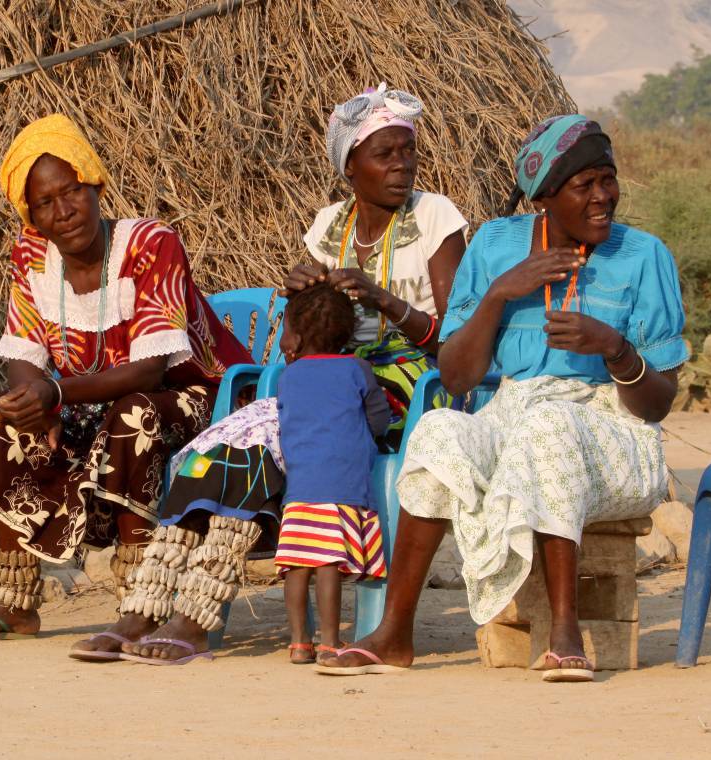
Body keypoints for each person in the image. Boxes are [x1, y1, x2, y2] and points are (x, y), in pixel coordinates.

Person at [75, 83, 469, 664]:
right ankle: (144, 612)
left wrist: (382, 300)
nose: (402, 164)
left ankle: (192, 620)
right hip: (322, 383)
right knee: (220, 448)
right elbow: (299, 335)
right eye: (384, 153)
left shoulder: (434, 216)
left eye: (407, 151)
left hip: (404, 388)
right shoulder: (328, 225)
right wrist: (300, 298)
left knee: (271, 445)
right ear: (349, 167)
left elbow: (454, 343)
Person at [321, 115, 688, 682]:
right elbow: (459, 377)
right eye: (584, 185)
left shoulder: (643, 255)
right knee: (440, 430)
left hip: (614, 433)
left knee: (553, 426)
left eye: (607, 180)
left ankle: (564, 632)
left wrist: (615, 349)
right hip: (513, 410)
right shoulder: (496, 244)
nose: (603, 198)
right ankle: (395, 633)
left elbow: (658, 404)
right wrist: (498, 295)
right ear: (544, 198)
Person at [0, 114, 251, 644]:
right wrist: (33, 400)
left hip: (198, 398)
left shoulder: (150, 244)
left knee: (134, 410)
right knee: (4, 415)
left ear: (94, 184)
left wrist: (58, 392)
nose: (63, 212)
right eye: (44, 203)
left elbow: (152, 369)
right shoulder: (31, 256)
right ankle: (17, 603)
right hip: (92, 400)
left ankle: (141, 600)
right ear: (32, 216)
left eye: (72, 192)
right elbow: (25, 349)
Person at [272, 284, 389, 666]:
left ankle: (299, 642)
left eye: (286, 329)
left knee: (296, 564)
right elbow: (378, 418)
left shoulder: (288, 376)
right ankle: (331, 642)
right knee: (327, 565)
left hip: (301, 485)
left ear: (299, 337)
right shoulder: (357, 369)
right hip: (342, 483)